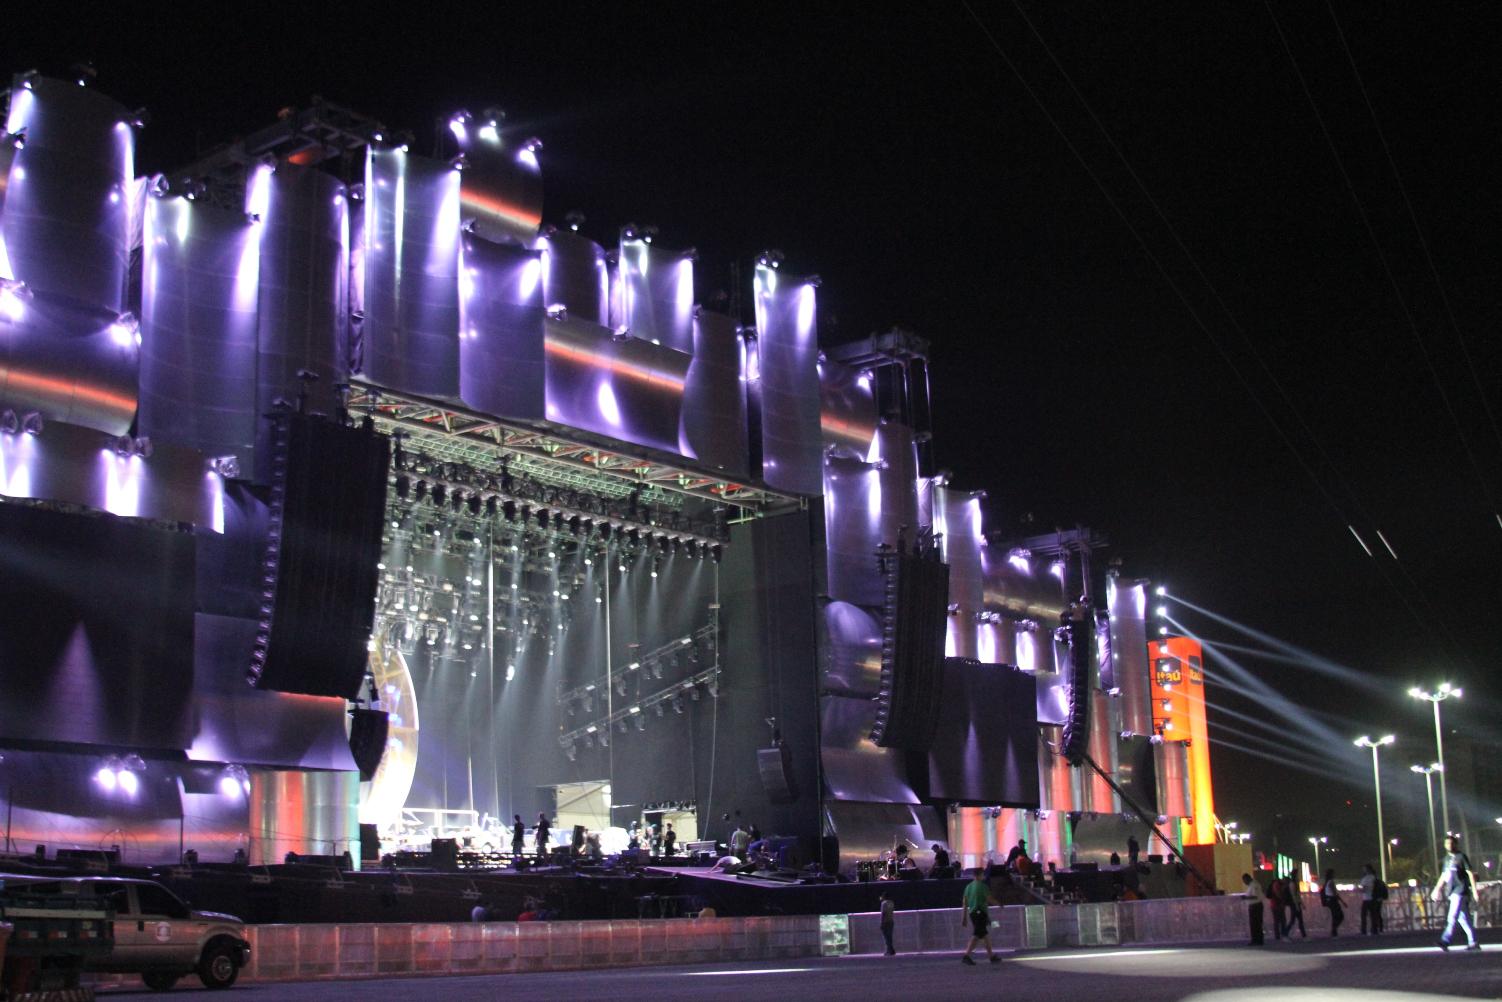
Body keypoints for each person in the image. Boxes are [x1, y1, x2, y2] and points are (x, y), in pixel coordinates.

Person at [1431, 834, 1479, 951]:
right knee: (1464, 919)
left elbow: (1470, 874)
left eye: (1452, 843)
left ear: (1456, 844)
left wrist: (1474, 891)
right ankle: (1473, 942)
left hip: (1460, 890)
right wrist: (1437, 889)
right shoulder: (1447, 859)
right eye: (1447, 843)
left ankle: (1445, 940)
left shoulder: (1461, 857)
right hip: (1452, 892)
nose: (1449, 845)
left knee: (1452, 916)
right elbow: (1444, 876)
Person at [959, 869, 1002, 965]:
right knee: (978, 934)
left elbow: (965, 903)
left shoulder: (968, 887)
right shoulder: (983, 886)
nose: (983, 877)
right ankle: (966, 956)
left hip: (973, 913)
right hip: (980, 912)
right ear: (980, 875)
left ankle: (991, 956)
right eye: (983, 875)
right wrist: (999, 904)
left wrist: (964, 917)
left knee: (983, 934)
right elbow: (989, 899)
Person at [1241, 873, 1265, 946]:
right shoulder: (1251, 885)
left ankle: (1257, 940)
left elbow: (1255, 896)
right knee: (1255, 924)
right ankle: (1257, 939)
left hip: (1256, 906)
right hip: (1253, 906)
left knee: (1256, 924)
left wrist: (1246, 898)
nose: (1244, 882)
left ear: (1247, 878)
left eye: (1244, 881)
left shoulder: (1254, 885)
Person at [1320, 868, 1343, 936]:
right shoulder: (1331, 882)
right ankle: (1334, 930)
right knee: (1340, 916)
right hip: (1333, 901)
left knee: (1335, 916)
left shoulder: (1327, 882)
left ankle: (1334, 931)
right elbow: (1335, 893)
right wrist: (1342, 901)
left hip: (1329, 901)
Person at [1359, 863, 1380, 935]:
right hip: (1373, 898)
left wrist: (1361, 890)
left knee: (1364, 915)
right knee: (1373, 915)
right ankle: (1374, 930)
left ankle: (1364, 930)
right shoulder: (1374, 878)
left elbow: (1363, 889)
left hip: (1366, 899)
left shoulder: (1365, 879)